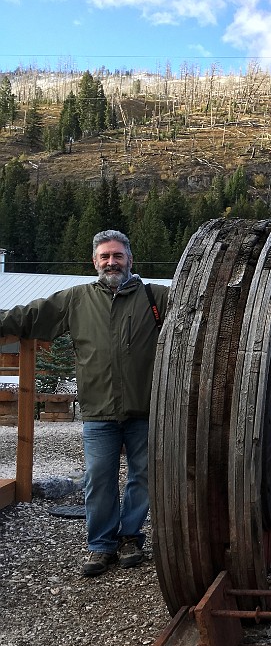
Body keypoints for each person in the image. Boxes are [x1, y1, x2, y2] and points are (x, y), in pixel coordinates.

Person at [0, 230, 170, 578]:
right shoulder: (77, 299)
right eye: (105, 257)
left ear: (129, 260)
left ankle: (130, 538)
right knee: (98, 478)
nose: (111, 262)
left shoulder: (156, 297)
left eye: (117, 256)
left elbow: (202, 313)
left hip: (146, 409)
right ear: (95, 262)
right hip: (98, 411)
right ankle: (101, 545)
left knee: (144, 476)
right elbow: (31, 317)